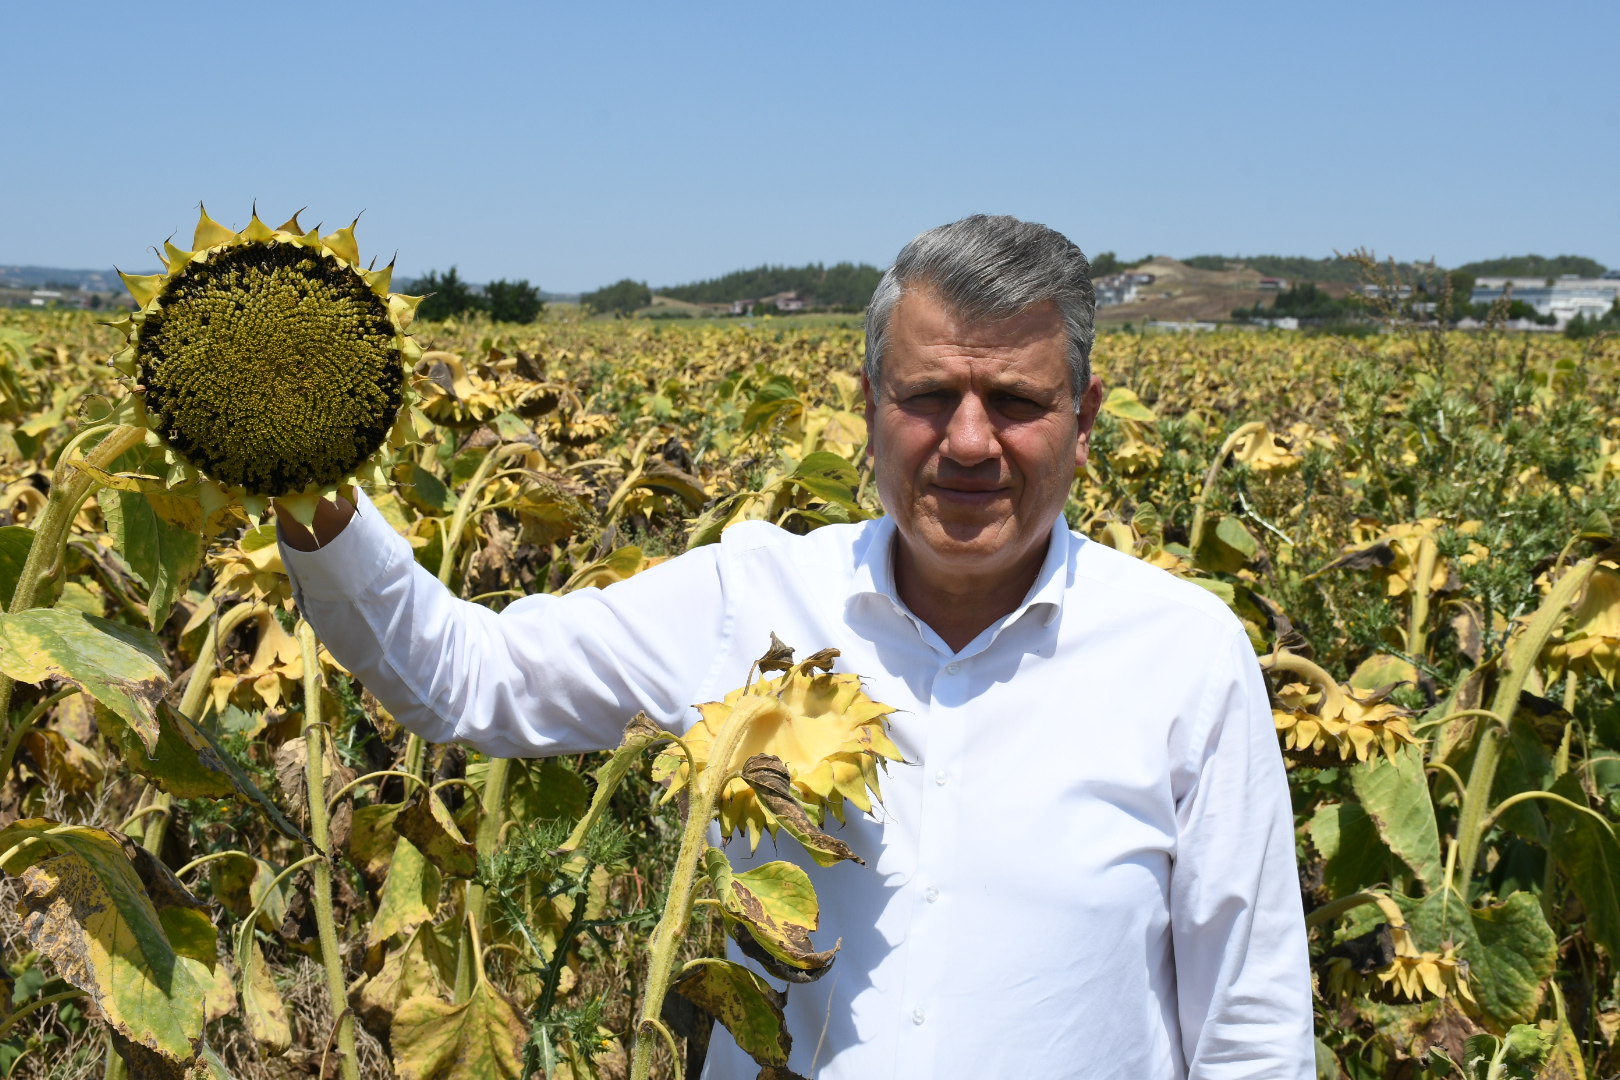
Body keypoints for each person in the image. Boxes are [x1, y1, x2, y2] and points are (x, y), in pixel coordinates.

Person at [278, 214, 1314, 1078]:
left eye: (1015, 402)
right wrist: (301, 464)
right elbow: (466, 682)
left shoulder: (1181, 655)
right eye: (925, 397)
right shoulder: (750, 597)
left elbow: (1251, 1028)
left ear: (1082, 420)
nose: (966, 441)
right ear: (868, 409)